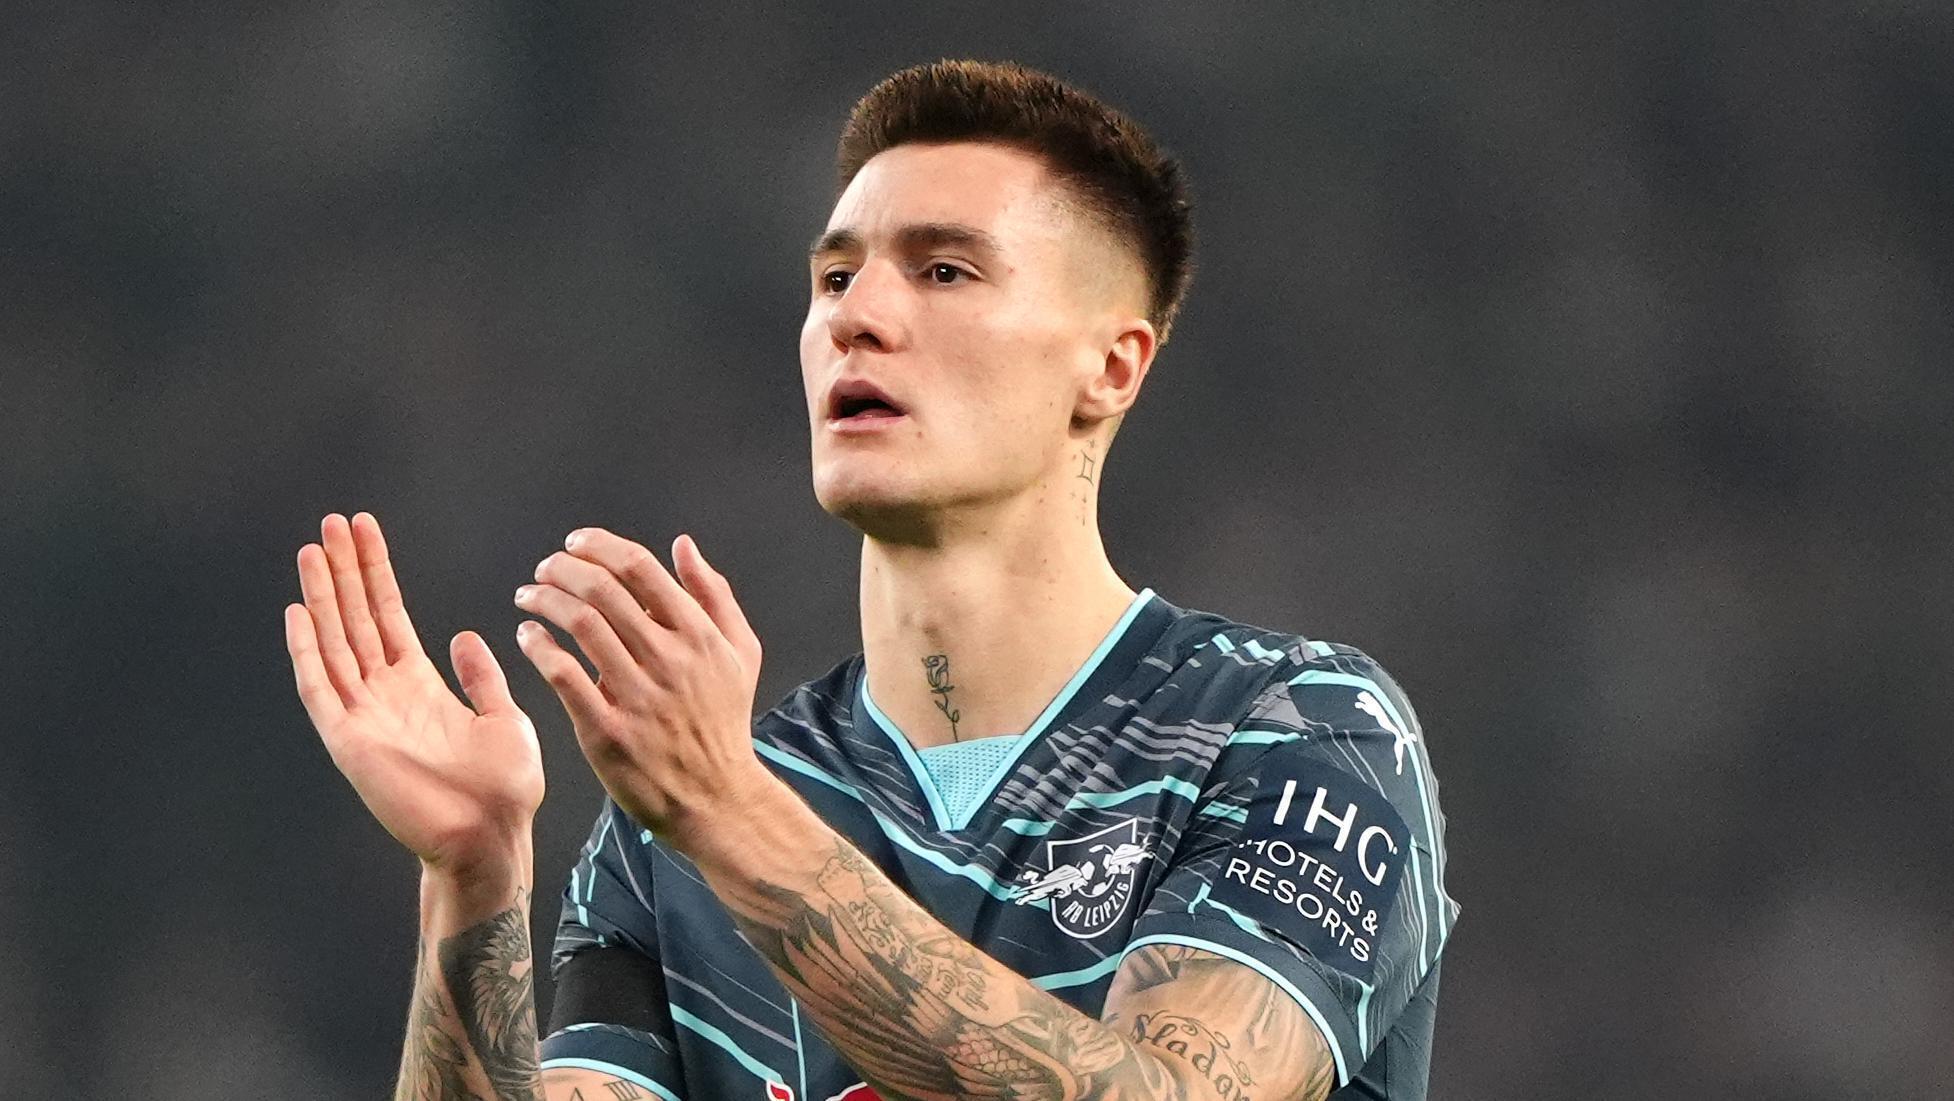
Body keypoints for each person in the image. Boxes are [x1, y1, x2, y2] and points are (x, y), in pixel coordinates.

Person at [284, 59, 1458, 1101]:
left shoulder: (1297, 732)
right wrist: (473, 880)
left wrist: (727, 814)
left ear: (1110, 365)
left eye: (943, 271)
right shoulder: (665, 842)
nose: (859, 316)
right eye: (835, 278)